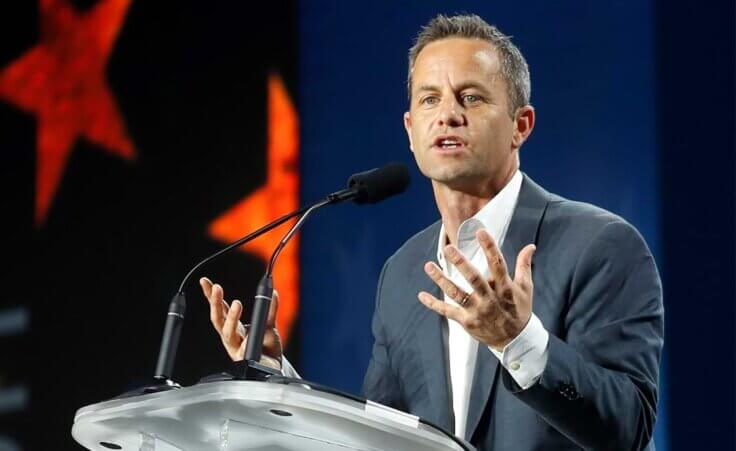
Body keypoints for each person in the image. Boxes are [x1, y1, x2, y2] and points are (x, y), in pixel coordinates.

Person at [201, 14, 664, 451]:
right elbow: (378, 436)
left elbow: (629, 430)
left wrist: (517, 339)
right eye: (429, 99)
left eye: (471, 97)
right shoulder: (402, 272)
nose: (447, 115)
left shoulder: (601, 246)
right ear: (410, 129)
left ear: (520, 126)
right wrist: (280, 380)